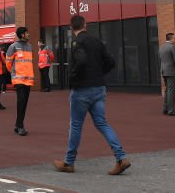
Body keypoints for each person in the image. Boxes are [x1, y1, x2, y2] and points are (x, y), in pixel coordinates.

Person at [52, 15, 131, 175]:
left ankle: (69, 162)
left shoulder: (77, 42)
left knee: (75, 125)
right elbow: (110, 62)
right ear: (85, 25)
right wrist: (98, 74)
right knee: (102, 123)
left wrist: (72, 80)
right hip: (99, 87)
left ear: (71, 27)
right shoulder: (96, 41)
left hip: (82, 89)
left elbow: (80, 62)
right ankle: (121, 157)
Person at [5, 27, 34, 136]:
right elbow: (8, 63)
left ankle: (18, 125)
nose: (29, 34)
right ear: (22, 35)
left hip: (28, 80)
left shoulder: (30, 46)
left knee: (24, 103)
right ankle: (20, 126)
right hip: (18, 79)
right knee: (21, 102)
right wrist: (14, 73)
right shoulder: (13, 47)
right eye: (27, 33)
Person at [159, 32, 175, 116]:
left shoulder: (161, 47)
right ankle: (171, 110)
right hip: (171, 71)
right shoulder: (173, 47)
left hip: (163, 71)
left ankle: (166, 108)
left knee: (167, 90)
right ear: (171, 39)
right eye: (174, 38)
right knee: (171, 91)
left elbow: (161, 60)